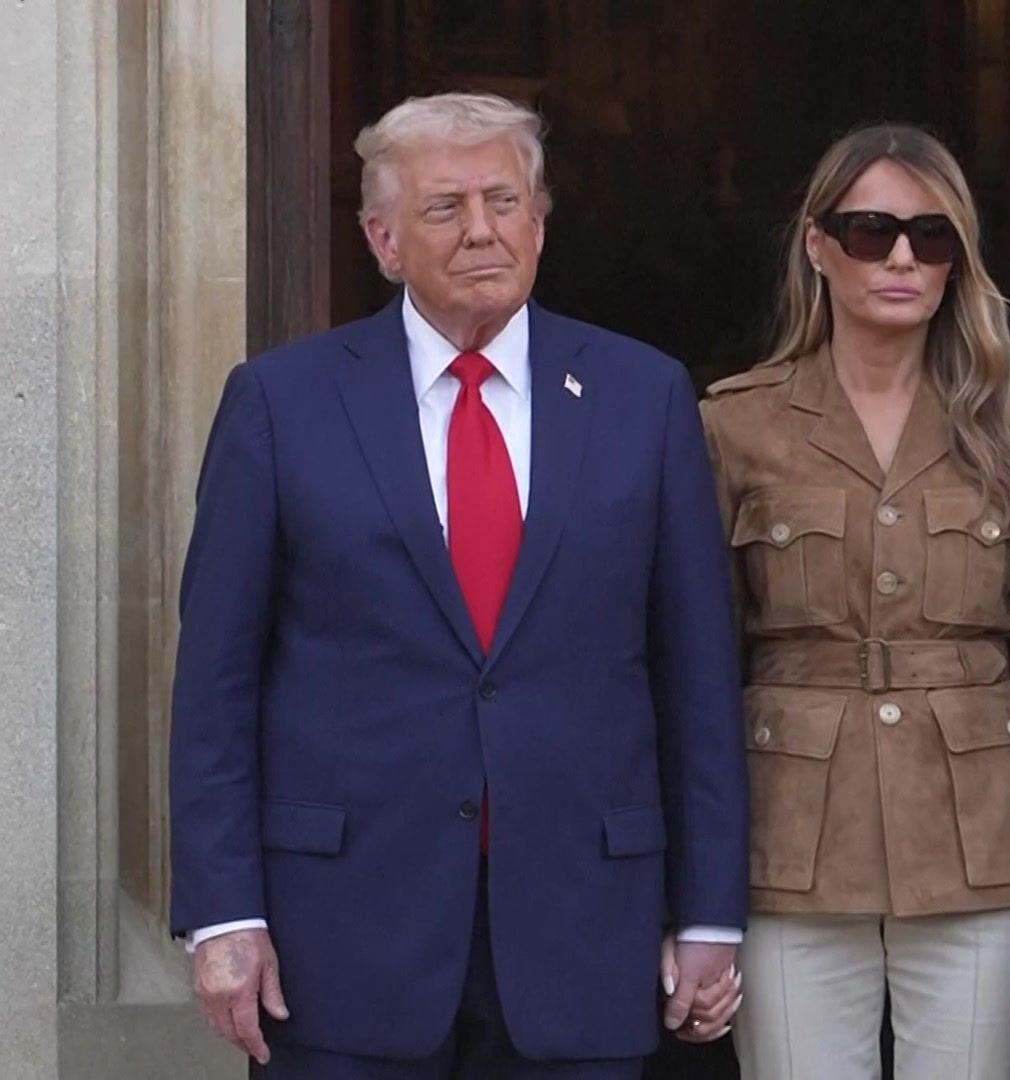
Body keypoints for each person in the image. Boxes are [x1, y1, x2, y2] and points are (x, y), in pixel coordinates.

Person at [169, 92, 749, 1076]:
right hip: (341, 935)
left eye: (504, 200)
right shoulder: (281, 401)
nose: (482, 228)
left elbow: (696, 674)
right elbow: (217, 679)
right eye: (445, 207)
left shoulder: (643, 396)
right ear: (382, 239)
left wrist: (709, 914)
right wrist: (222, 912)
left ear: (539, 220)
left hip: (582, 926)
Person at [698, 123, 1010, 1080]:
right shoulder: (735, 424)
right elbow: (695, 676)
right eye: (871, 231)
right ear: (819, 246)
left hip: (989, 845)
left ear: (959, 260)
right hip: (786, 848)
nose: (904, 255)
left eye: (933, 234)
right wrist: (692, 896)